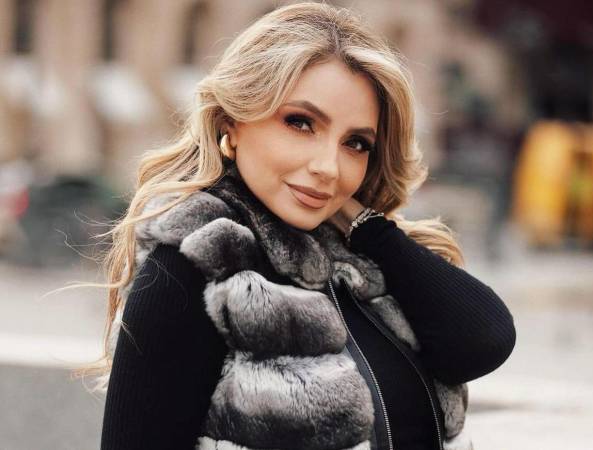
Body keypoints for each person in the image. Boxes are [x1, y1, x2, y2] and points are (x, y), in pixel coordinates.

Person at [90, 3, 516, 449]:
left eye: (356, 143)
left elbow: (485, 339)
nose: (328, 167)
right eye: (301, 123)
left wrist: (368, 227)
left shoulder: (367, 263)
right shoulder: (194, 266)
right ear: (233, 122)